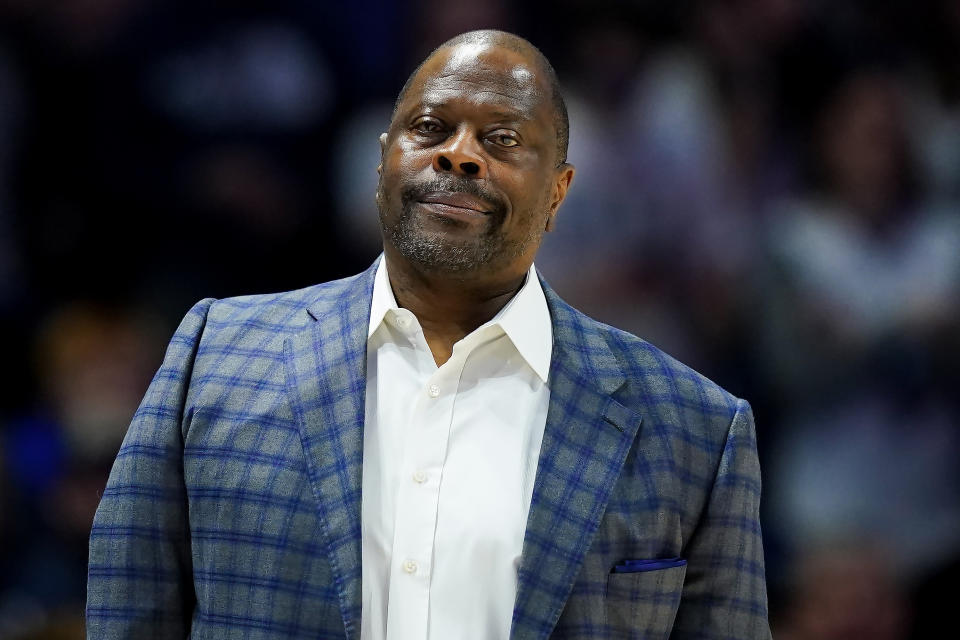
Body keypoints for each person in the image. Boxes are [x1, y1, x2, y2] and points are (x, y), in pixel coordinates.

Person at [86, 29, 771, 640]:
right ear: (383, 164)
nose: (461, 156)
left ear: (558, 193)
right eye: (431, 127)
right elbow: (129, 608)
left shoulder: (696, 432)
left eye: (502, 139)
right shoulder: (215, 354)